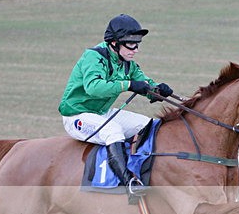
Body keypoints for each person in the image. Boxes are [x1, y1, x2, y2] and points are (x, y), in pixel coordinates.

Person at [59, 14, 173, 200]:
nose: (135, 49)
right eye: (130, 43)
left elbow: (143, 83)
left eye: (138, 43)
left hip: (102, 113)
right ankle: (128, 182)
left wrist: (158, 89)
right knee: (113, 131)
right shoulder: (93, 57)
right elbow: (94, 88)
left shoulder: (128, 64)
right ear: (113, 43)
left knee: (149, 125)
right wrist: (128, 85)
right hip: (77, 115)